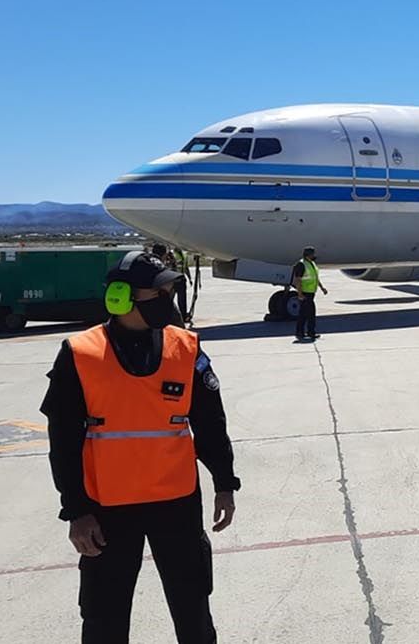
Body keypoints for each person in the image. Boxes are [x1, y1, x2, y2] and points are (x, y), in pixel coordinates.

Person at [40, 250, 240, 643]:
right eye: (161, 291)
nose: (170, 298)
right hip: (107, 511)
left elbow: (210, 423)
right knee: (104, 617)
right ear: (121, 297)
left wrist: (225, 483)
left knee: (193, 609)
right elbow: (62, 442)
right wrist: (76, 511)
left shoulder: (186, 349)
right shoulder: (80, 355)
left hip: (176, 503)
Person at [289, 246, 328, 341]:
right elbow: (297, 280)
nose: (314, 255)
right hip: (305, 293)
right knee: (306, 314)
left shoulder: (311, 263)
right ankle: (304, 333)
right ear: (308, 255)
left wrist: (322, 287)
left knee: (308, 314)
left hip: (311, 293)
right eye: (312, 254)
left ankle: (307, 332)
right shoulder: (301, 265)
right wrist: (300, 294)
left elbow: (315, 277)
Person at [151, 243, 190, 327]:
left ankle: (182, 317)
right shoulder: (170, 255)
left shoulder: (183, 254)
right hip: (172, 280)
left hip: (180, 279)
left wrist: (189, 278)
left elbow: (185, 267)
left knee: (181, 300)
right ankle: (170, 318)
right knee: (168, 300)